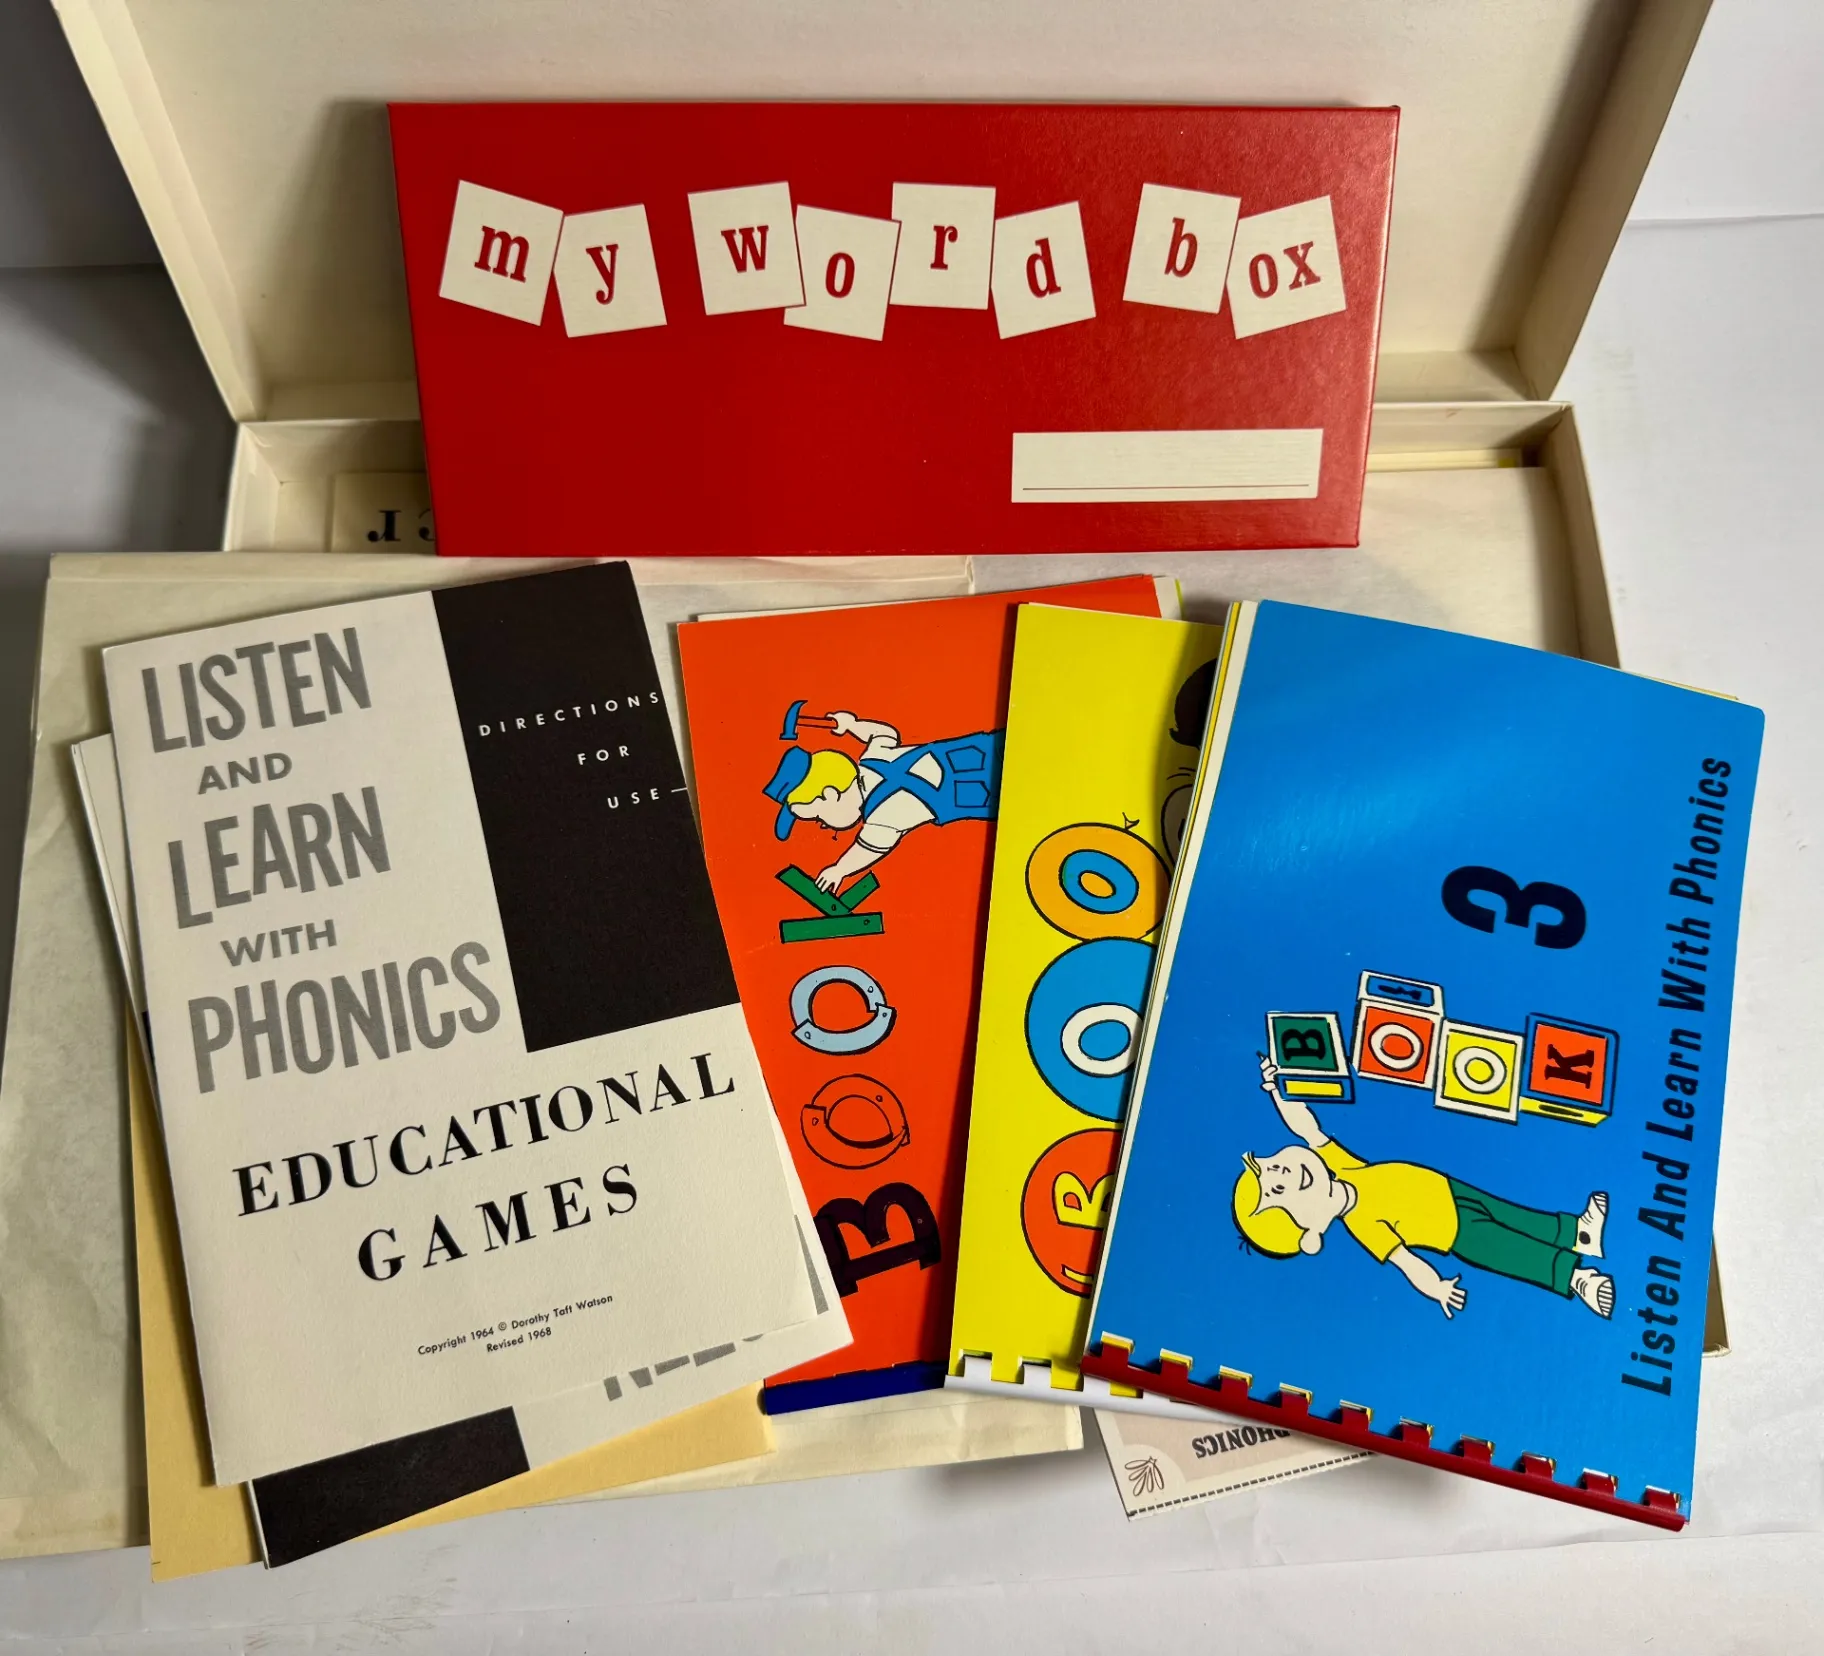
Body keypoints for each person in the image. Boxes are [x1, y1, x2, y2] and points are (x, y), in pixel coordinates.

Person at [1236, 1057, 1616, 1320]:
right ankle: (1576, 1279)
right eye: (1277, 1190)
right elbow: (1406, 1262)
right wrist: (1437, 1288)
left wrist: (1276, 1090)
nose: (1281, 1172)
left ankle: (1579, 1233)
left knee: (1516, 1217)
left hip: (1450, 1190)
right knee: (1511, 1250)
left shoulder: (1339, 1165)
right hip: (1456, 1234)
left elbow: (1306, 1127)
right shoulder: (1362, 1225)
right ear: (1310, 1237)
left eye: (1271, 1166)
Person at [762, 710, 1001, 892]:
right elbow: (883, 734)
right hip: (992, 747)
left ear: (831, 794)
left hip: (994, 793)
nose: (824, 826)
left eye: (817, 817)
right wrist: (852, 725)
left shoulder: (882, 818)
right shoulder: (874, 756)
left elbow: (867, 848)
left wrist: (840, 870)